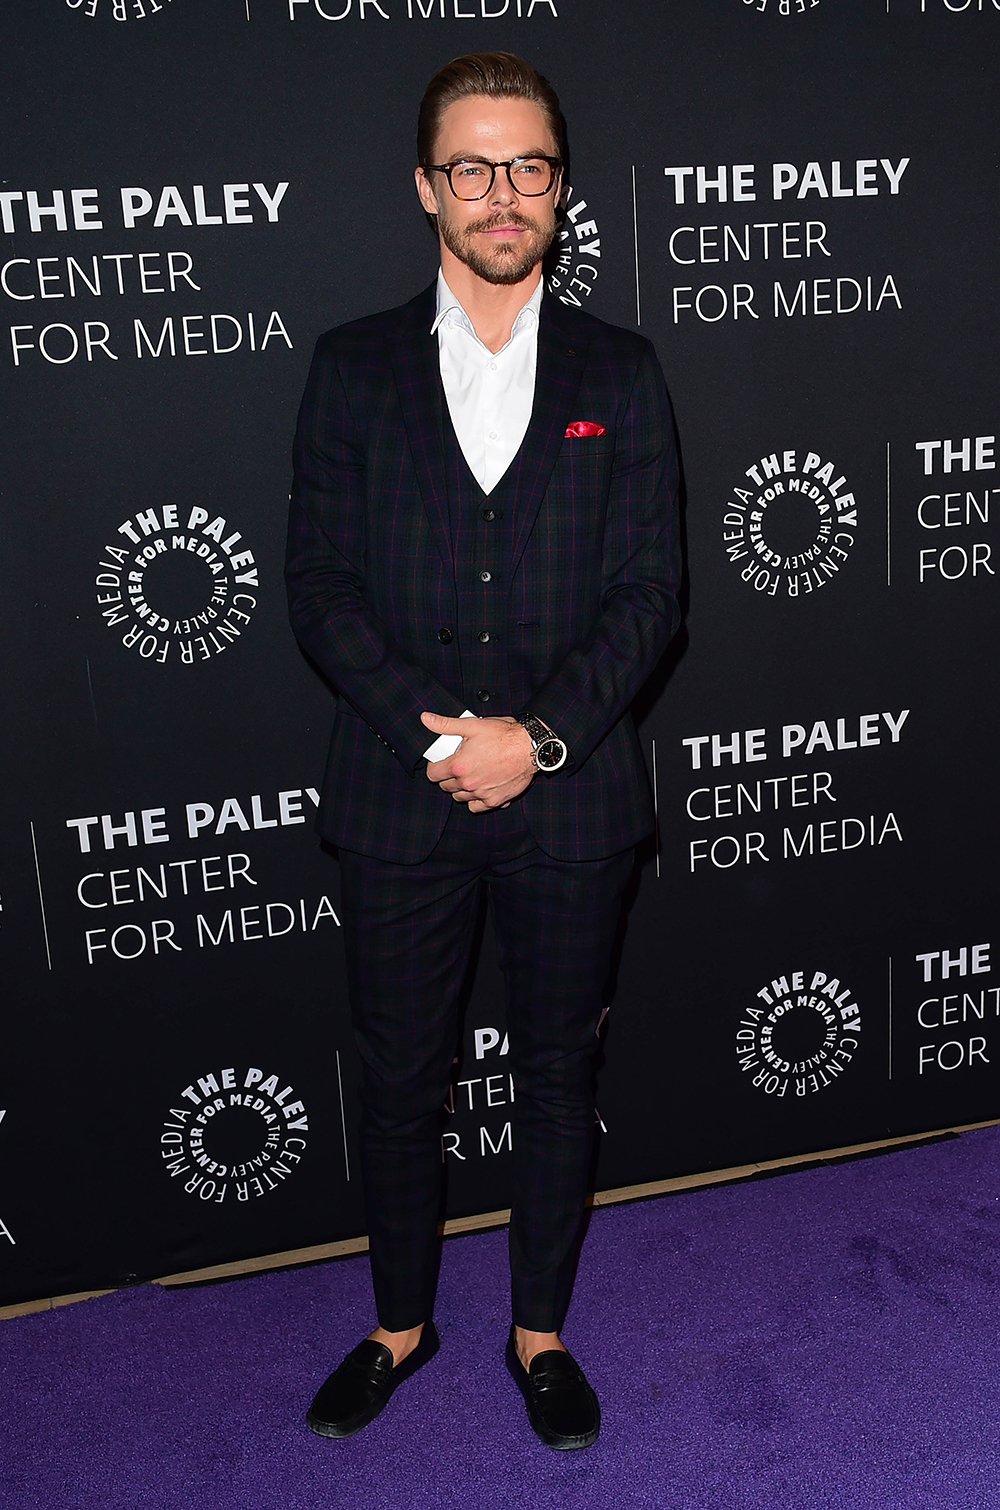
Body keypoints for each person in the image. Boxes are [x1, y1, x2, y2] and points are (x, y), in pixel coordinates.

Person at [285, 50, 680, 1450]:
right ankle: (401, 1322)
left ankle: (539, 1331)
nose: (501, 193)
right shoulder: (352, 367)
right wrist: (436, 734)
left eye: (528, 167)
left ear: (561, 191)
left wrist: (542, 738)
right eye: (473, 165)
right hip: (400, 796)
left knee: (561, 1076)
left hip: (573, 809)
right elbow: (317, 586)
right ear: (426, 187)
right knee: (401, 1075)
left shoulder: (622, 373)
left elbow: (650, 597)